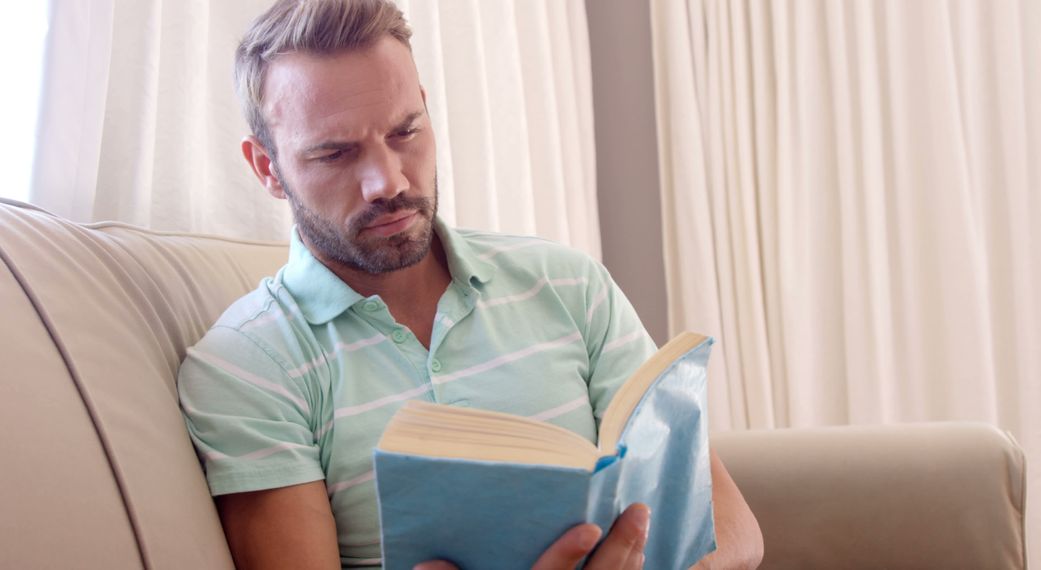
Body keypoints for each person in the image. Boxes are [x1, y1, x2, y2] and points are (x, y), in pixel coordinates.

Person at [177, 0, 763, 568]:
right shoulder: (248, 365)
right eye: (335, 154)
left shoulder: (567, 283)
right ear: (266, 168)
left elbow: (731, 526)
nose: (387, 180)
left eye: (405, 131)